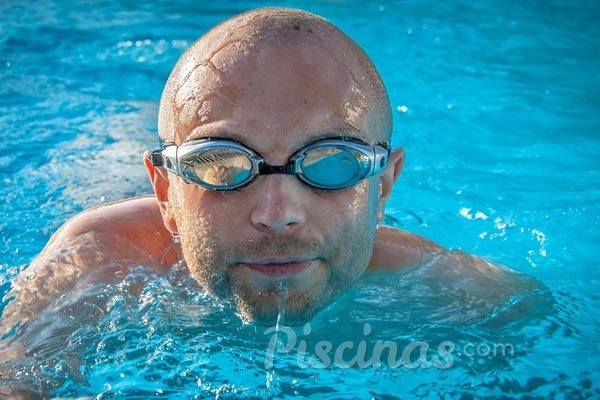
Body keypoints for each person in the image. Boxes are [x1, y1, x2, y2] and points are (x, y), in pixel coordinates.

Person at [2, 6, 522, 347]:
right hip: (98, 178)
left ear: (381, 185)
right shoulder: (99, 261)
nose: (278, 215)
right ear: (165, 192)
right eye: (222, 164)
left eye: (331, 162)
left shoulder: (462, 294)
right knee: (109, 143)